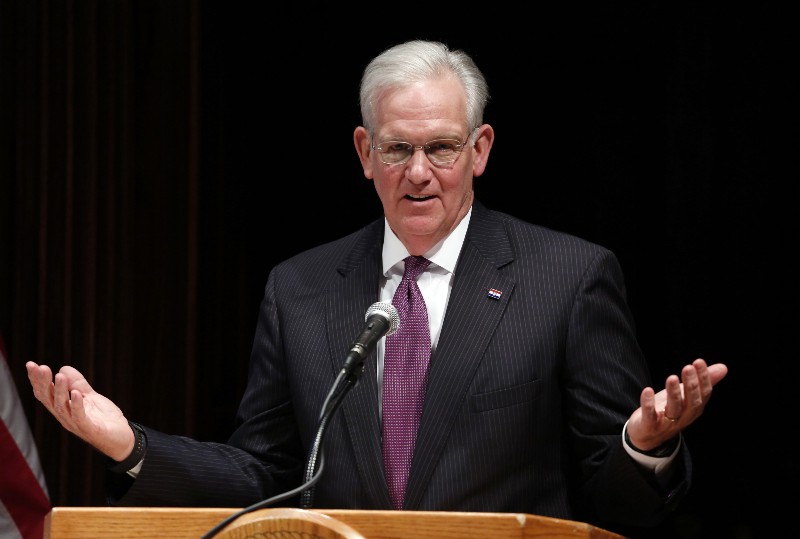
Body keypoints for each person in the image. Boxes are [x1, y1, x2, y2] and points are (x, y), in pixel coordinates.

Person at [26, 40, 727, 536]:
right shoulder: (299, 288)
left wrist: (643, 444)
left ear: (480, 150)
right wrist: (130, 445)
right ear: (365, 152)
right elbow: (266, 475)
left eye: (441, 148)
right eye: (398, 149)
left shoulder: (567, 278)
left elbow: (621, 505)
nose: (419, 172)